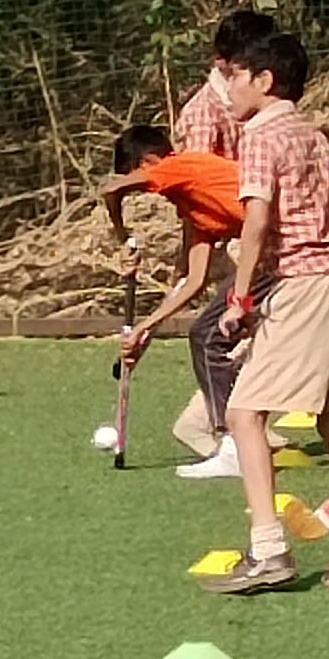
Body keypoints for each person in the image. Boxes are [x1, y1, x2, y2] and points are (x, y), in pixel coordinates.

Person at [201, 28, 329, 596]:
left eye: (235, 76)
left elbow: (256, 224)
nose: (227, 86)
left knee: (244, 413)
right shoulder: (318, 136)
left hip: (305, 285)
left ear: (264, 81)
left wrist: (240, 297)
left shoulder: (259, 136)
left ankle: (269, 549)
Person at [169, 8, 285, 479]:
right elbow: (195, 185)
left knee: (241, 331)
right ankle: (226, 433)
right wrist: (195, 255)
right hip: (237, 237)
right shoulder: (204, 112)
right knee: (225, 331)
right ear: (225, 64)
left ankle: (233, 432)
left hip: (264, 232)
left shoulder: (262, 106)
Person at [100, 123, 245, 462]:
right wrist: (143, 329)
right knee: (207, 334)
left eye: (141, 180)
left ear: (150, 161)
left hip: (288, 256)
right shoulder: (196, 207)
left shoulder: (183, 166)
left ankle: (233, 445)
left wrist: (124, 238)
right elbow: (193, 282)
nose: (146, 193)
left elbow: (111, 189)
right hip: (271, 261)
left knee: (208, 336)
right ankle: (233, 440)